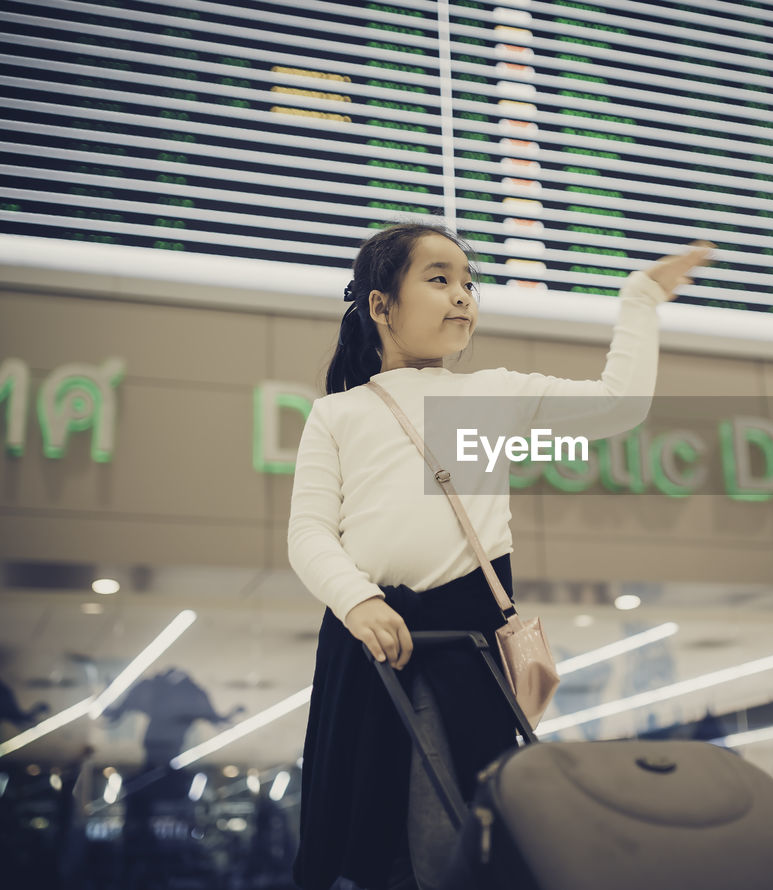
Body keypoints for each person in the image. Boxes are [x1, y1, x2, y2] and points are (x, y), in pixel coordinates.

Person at [287, 221, 711, 890]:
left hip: (467, 652)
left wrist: (639, 298)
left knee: (455, 841)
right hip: (371, 650)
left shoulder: (487, 396)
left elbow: (618, 405)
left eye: (468, 282)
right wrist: (358, 599)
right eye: (438, 279)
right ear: (380, 305)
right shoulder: (338, 415)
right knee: (370, 841)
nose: (462, 295)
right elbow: (308, 533)